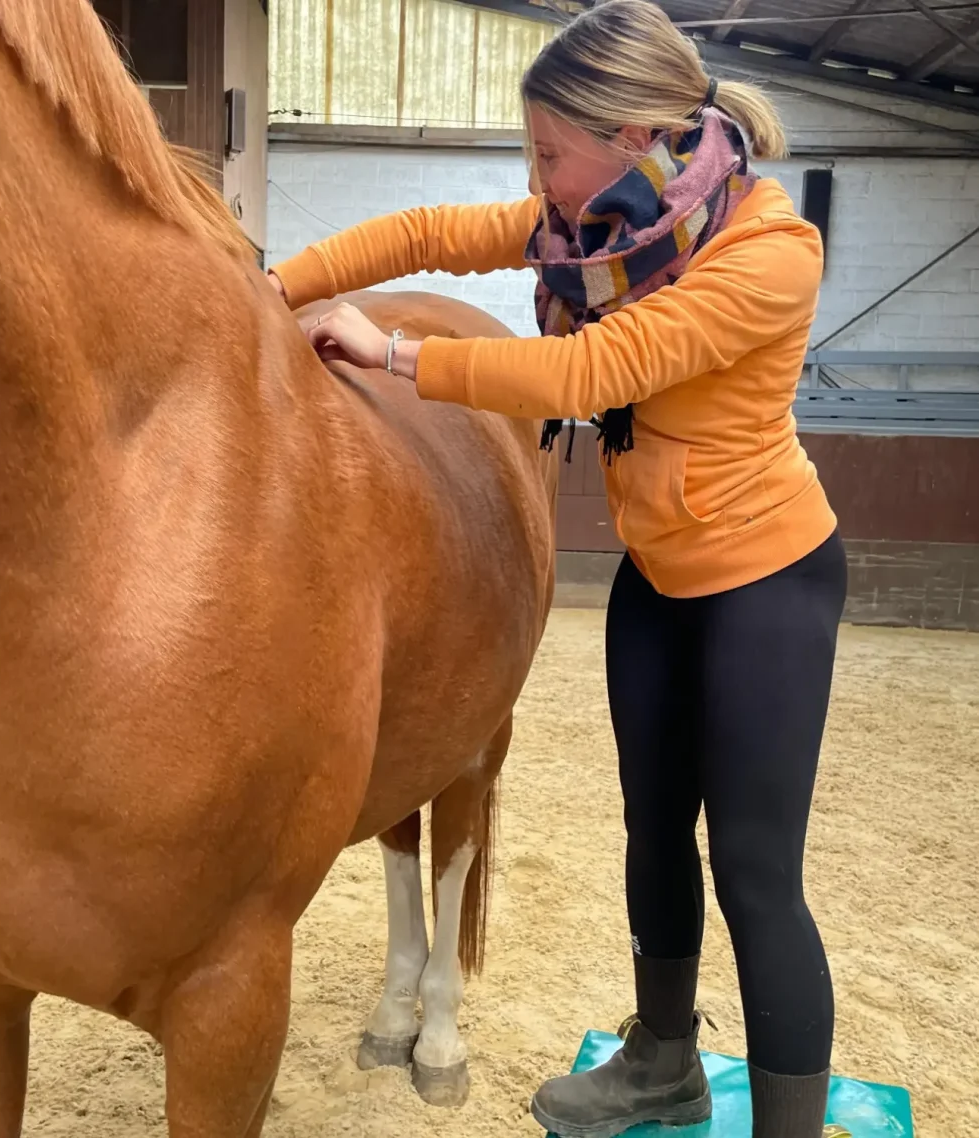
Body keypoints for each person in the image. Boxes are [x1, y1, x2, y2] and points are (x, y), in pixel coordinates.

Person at [267, 2, 849, 1135]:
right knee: (651, 831)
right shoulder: (589, 228)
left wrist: (393, 352)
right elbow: (423, 231)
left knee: (756, 876)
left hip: (765, 585)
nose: (536, 176)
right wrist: (267, 292)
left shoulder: (770, 252)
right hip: (659, 583)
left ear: (631, 138)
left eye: (546, 151)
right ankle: (661, 1059)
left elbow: (595, 369)